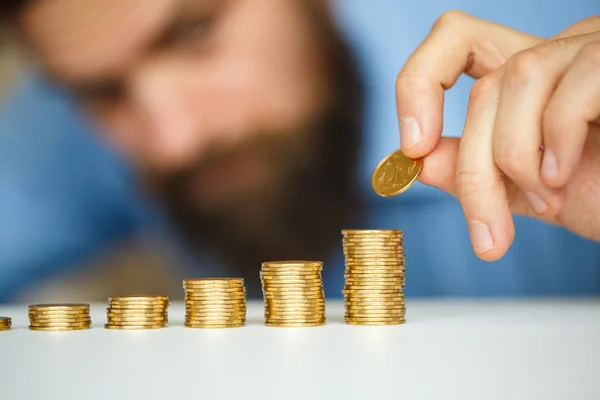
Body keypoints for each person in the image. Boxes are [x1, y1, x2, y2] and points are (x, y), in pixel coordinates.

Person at [0, 0, 598, 302]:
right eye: (101, 93)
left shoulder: (558, 37)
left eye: (195, 33)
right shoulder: (69, 125)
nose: (174, 141)